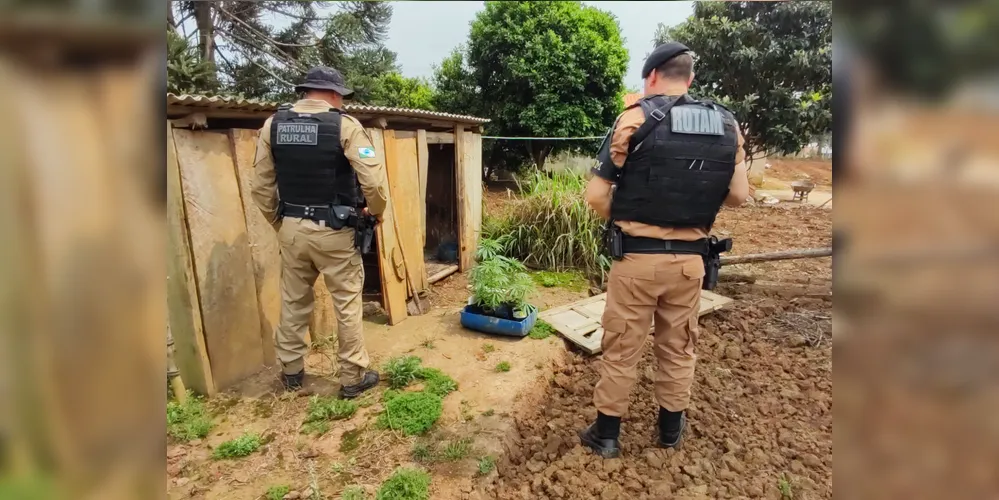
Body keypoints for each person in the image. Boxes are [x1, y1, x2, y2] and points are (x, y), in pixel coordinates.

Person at [580, 42, 751, 457]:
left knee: (622, 348)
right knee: (679, 347)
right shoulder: (728, 125)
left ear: (652, 77)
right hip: (691, 263)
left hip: (637, 261)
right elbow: (739, 196)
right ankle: (670, 432)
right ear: (690, 79)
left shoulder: (633, 120)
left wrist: (630, 219)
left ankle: (606, 436)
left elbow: (596, 195)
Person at [251, 66, 389, 398]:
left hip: (292, 229)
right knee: (347, 302)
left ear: (306, 90)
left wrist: (280, 224)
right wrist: (377, 211)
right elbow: (373, 182)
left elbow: (260, 187)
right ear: (334, 94)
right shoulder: (345, 125)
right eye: (341, 95)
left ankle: (291, 373)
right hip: (335, 231)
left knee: (294, 301)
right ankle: (352, 377)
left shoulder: (274, 125)